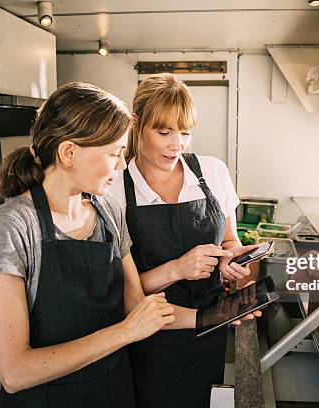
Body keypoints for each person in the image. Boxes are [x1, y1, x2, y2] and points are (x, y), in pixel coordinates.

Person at [0, 82, 176, 407]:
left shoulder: (107, 212)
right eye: (114, 152)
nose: (122, 165)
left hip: (114, 393)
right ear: (68, 153)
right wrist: (124, 332)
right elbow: (13, 372)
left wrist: (217, 316)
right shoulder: (11, 227)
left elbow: (135, 305)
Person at [109, 73, 261, 408]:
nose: (177, 144)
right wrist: (178, 268)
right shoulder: (115, 189)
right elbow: (117, 290)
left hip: (210, 325)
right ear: (137, 125)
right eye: (163, 132)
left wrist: (231, 259)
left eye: (185, 132)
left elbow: (230, 239)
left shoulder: (213, 172)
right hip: (148, 336)